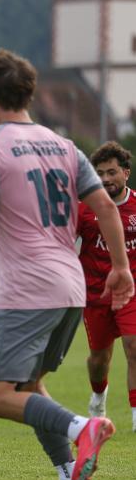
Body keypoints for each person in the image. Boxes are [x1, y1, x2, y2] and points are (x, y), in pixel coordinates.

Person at [0, 49, 134, 480]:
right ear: (31, 93)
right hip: (71, 288)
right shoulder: (65, 146)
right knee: (29, 385)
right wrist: (121, 268)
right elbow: (104, 205)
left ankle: (83, 427)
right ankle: (70, 478)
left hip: (29, 289)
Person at [76, 142, 136, 428]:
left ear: (126, 173)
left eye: (112, 172)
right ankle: (98, 396)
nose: (105, 179)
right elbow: (62, 242)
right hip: (95, 294)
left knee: (134, 347)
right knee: (99, 360)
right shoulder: (85, 208)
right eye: (99, 173)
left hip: (131, 293)